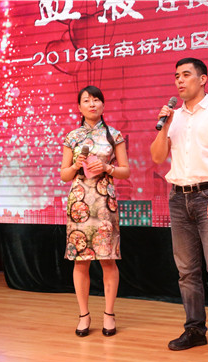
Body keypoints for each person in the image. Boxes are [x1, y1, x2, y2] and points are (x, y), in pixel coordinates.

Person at [150, 57, 208, 359]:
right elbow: (157, 157)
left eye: (186, 75)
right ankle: (194, 330)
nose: (179, 80)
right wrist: (164, 126)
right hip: (178, 198)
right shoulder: (173, 117)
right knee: (187, 272)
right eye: (176, 75)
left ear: (202, 79)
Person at [60, 85, 130, 337]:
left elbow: (125, 171)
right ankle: (84, 315)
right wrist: (75, 166)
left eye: (96, 100)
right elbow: (64, 175)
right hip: (79, 204)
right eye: (86, 101)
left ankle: (109, 314)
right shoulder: (72, 137)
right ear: (79, 107)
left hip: (103, 204)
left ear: (103, 105)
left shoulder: (114, 135)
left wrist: (107, 168)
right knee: (81, 261)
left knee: (107, 259)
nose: (92, 104)